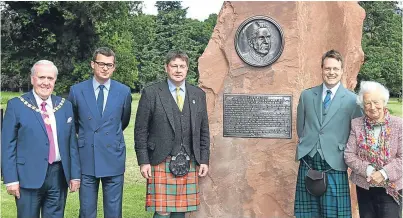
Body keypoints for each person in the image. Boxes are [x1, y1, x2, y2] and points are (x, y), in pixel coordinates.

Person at [134, 50, 210, 218]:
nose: (178, 70)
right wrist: (143, 161)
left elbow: (204, 130)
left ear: (187, 69)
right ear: (166, 68)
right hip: (161, 159)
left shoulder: (198, 94)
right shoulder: (152, 93)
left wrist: (204, 159)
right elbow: (140, 130)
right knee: (163, 210)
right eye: (174, 66)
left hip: (188, 159)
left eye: (182, 66)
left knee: (181, 209)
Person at [1, 60, 81, 218]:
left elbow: (72, 143)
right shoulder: (16, 106)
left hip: (58, 176)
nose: (46, 82)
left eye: (50, 79)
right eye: (41, 77)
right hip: (27, 176)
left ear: (55, 81)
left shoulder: (65, 106)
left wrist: (75, 174)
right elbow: (6, 145)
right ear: (32, 79)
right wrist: (10, 179)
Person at [294, 50, 362, 218]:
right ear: (322, 69)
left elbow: (356, 133)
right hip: (308, 161)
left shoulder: (352, 100)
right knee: (307, 214)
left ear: (342, 70)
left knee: (336, 214)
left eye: (335, 69)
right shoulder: (307, 95)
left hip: (335, 163)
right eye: (327, 68)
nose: (331, 72)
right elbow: (300, 127)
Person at [68, 47, 132, 218]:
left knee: (113, 211)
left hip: (113, 156)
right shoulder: (76, 91)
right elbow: (74, 123)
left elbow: (122, 121)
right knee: (87, 210)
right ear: (92, 64)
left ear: (114, 67)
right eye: (101, 63)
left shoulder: (124, 92)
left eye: (109, 65)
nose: (105, 68)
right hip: (87, 156)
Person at [344, 81, 402, 218]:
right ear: (363, 106)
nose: (372, 107)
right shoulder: (356, 124)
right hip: (365, 187)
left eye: (376, 102)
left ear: (384, 102)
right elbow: (349, 155)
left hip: (391, 188)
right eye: (367, 103)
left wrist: (383, 173)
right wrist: (369, 170)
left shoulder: (399, 124)